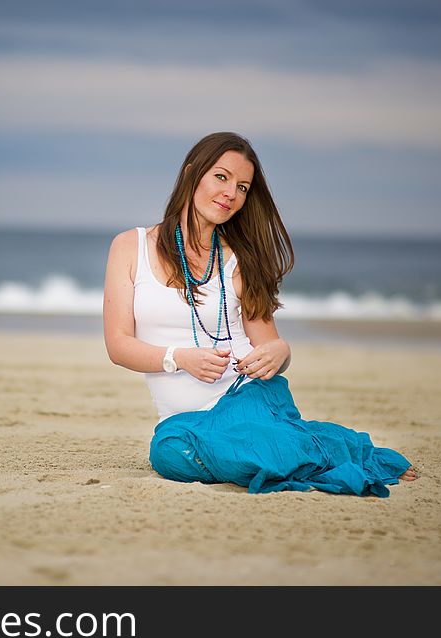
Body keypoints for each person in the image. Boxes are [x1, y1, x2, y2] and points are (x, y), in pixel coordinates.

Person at [103, 131, 418, 496]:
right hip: (186, 423)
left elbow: (270, 347)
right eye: (221, 177)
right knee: (168, 453)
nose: (231, 194)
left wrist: (281, 352)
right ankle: (311, 451)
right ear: (192, 174)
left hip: (246, 399)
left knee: (248, 445)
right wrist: (179, 359)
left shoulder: (239, 259)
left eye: (242, 187)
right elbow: (118, 344)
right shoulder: (131, 247)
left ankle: (314, 450)